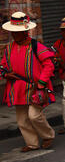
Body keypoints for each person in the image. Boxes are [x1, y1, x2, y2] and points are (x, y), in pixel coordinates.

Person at [0, 12, 55, 152]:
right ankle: (32, 143)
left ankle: (48, 135)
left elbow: (49, 65)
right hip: (18, 88)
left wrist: (42, 83)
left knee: (34, 115)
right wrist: (6, 74)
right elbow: (2, 66)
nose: (14, 34)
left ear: (26, 32)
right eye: (13, 32)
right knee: (22, 119)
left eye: (17, 32)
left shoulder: (36, 46)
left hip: (36, 87)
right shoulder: (9, 48)